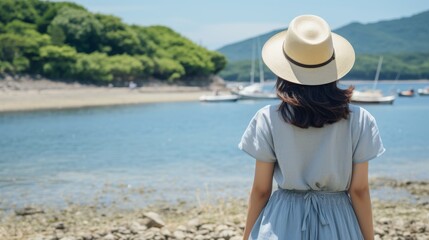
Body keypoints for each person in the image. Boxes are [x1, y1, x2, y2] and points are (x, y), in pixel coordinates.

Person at [239, 15, 385, 240]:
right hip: (338, 221)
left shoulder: (268, 117)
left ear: (284, 69)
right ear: (333, 67)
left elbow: (261, 190)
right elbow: (358, 190)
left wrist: (247, 236)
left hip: (282, 221)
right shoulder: (360, 118)